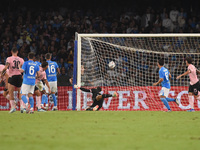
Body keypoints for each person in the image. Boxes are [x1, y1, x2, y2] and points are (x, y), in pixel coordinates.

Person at [1, 47, 24, 113]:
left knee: (11, 93)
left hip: (12, 76)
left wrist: (2, 73)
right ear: (17, 52)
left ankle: (13, 107)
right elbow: (23, 69)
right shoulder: (21, 59)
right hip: (19, 76)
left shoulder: (9, 58)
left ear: (11, 52)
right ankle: (22, 106)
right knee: (20, 92)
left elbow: (6, 67)